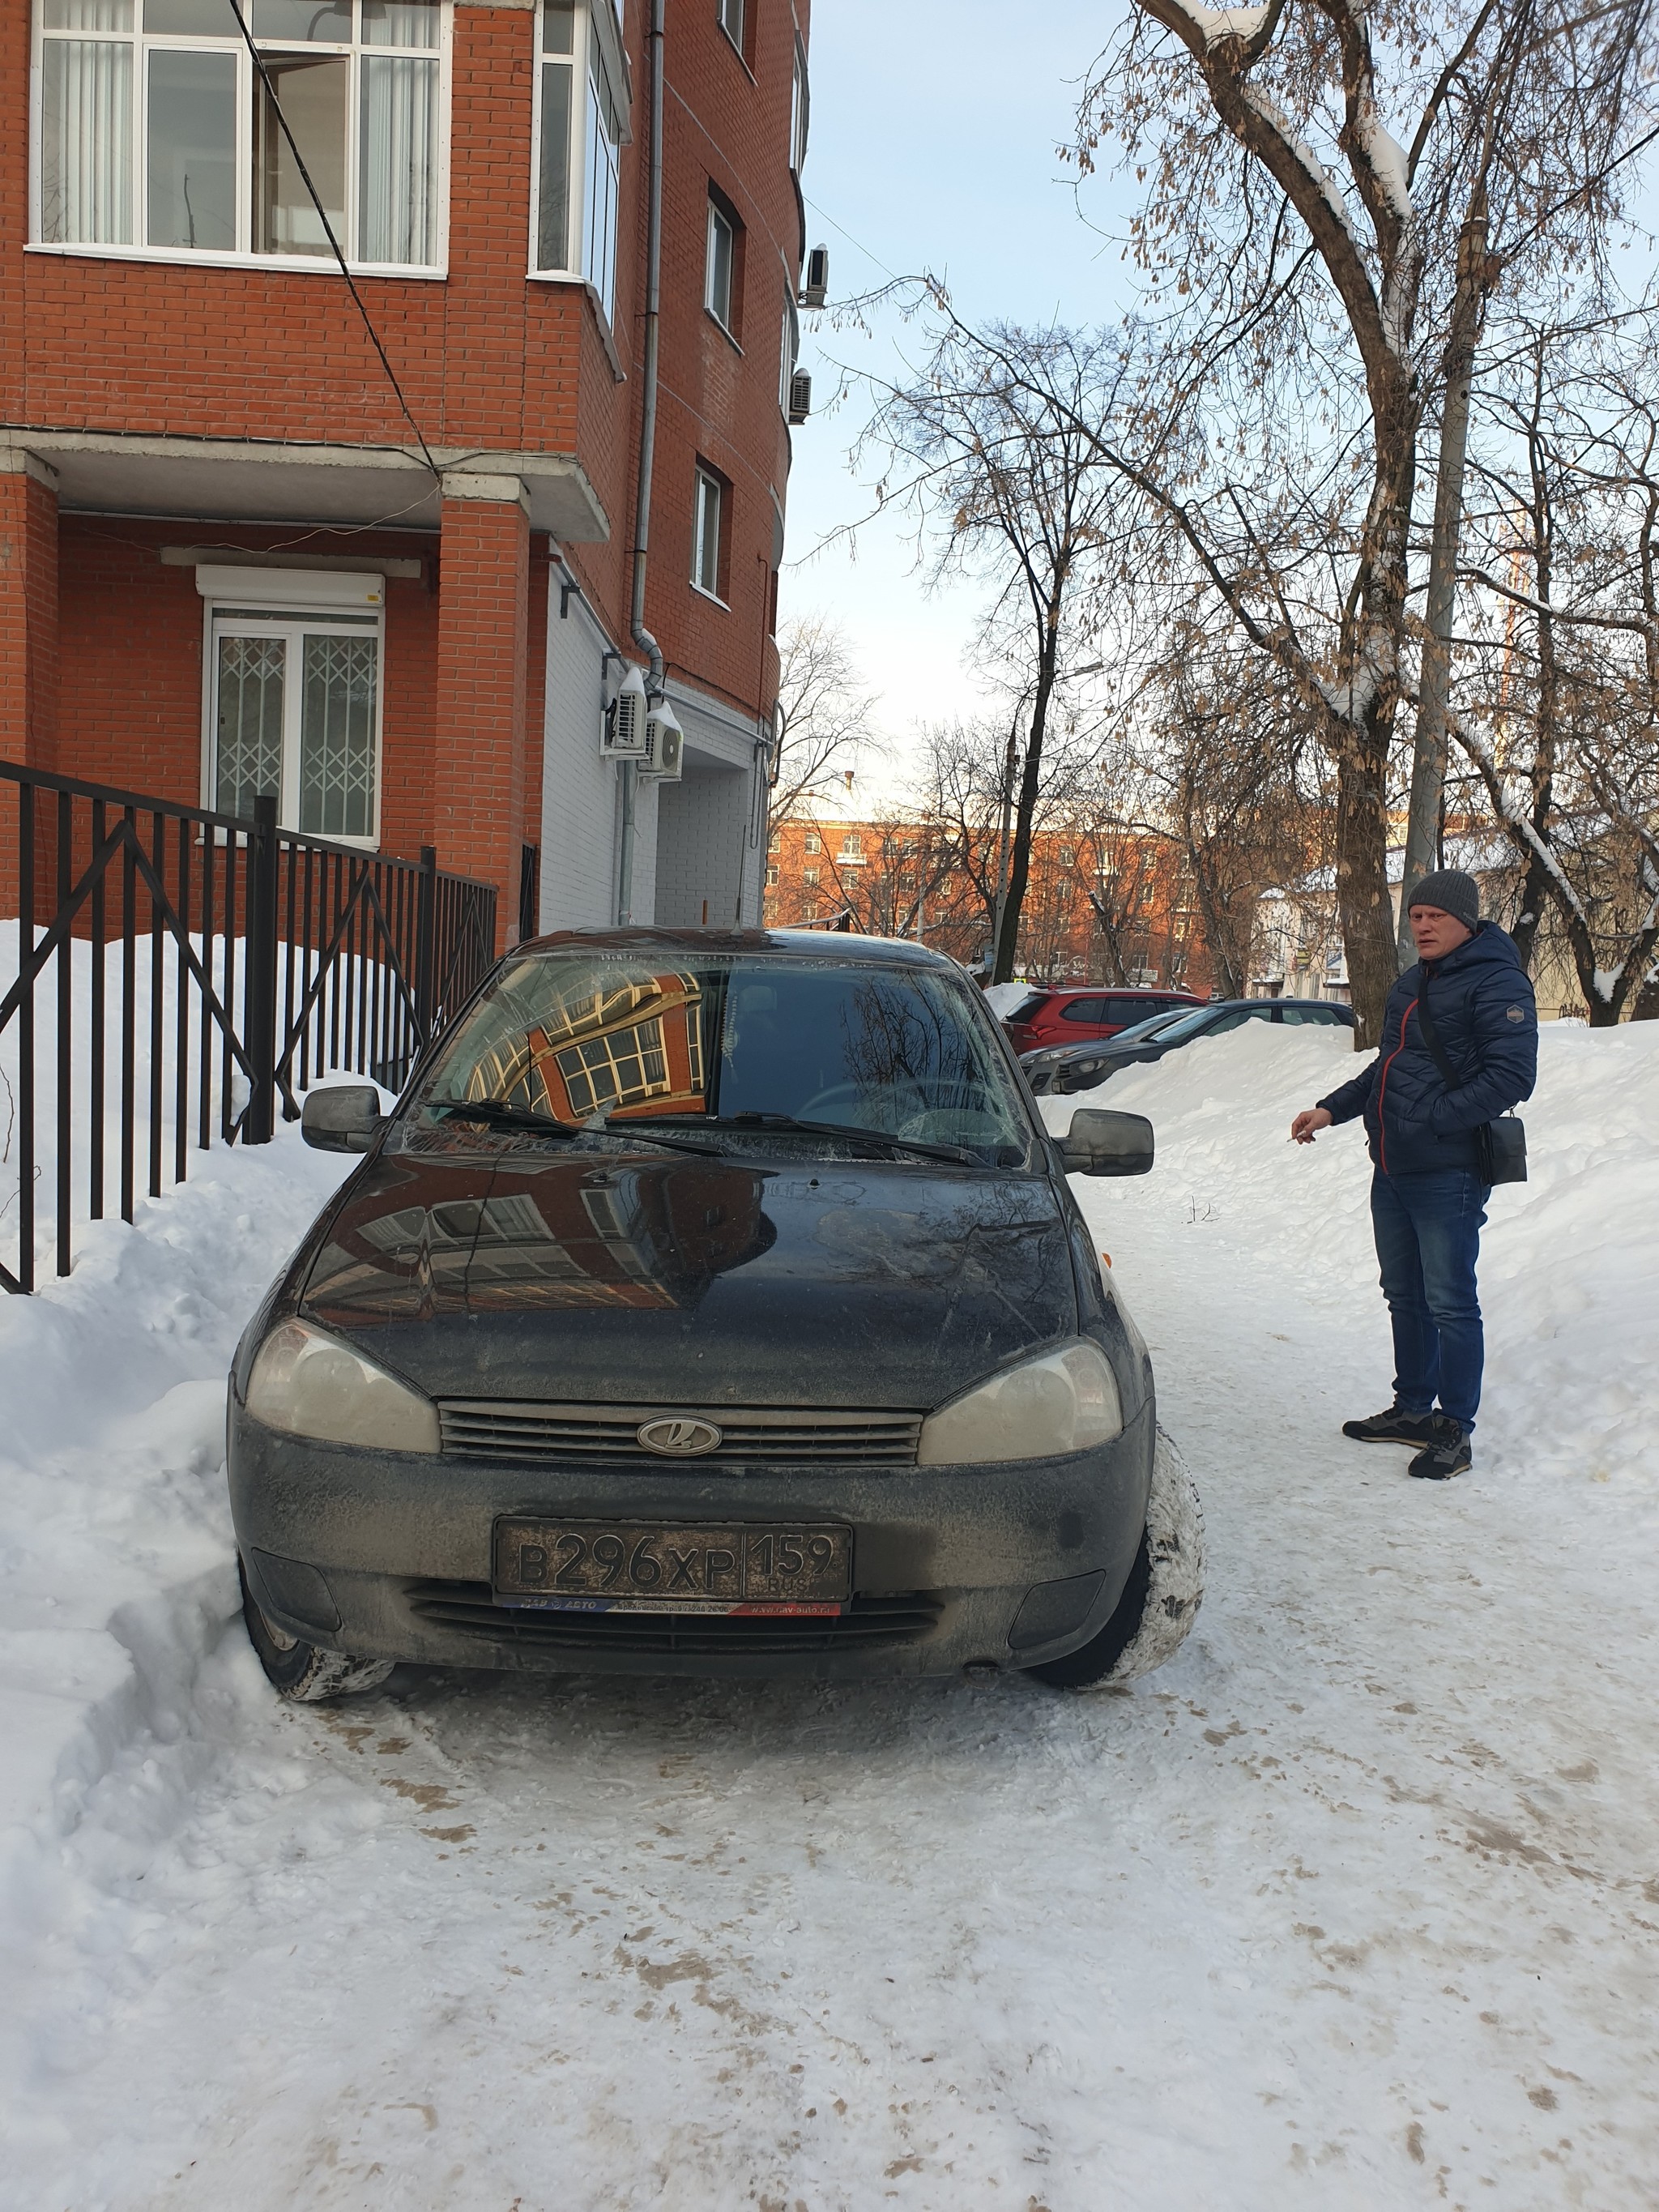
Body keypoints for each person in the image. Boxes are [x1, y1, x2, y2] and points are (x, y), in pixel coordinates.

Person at [1290, 870, 1537, 1480]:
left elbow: (1512, 1077)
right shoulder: (1412, 982)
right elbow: (1388, 1066)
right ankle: (1411, 1409)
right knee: (1403, 1293)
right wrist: (1332, 1108)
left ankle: (1455, 1430)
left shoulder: (1498, 980)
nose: (1422, 926)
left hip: (1448, 1169)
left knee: (1450, 1301)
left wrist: (1432, 1121)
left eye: (1435, 917)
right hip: (1393, 1167)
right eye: (1416, 916)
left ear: (1466, 922)